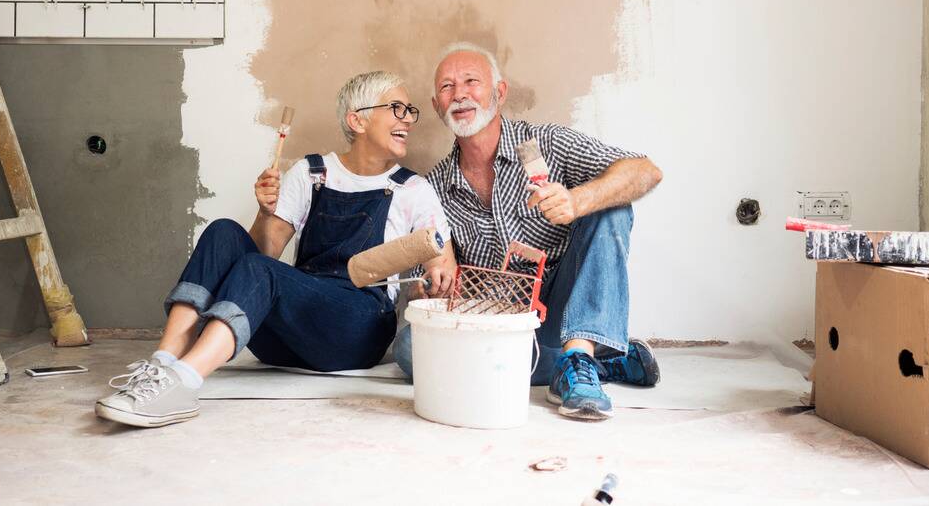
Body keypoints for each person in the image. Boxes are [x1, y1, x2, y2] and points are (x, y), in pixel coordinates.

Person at [96, 71, 455, 428]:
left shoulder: (412, 189)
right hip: (290, 331)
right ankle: (161, 366)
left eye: (409, 110)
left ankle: (184, 382)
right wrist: (265, 212)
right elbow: (263, 255)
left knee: (260, 271)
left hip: (354, 331)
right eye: (396, 108)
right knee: (223, 232)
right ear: (357, 120)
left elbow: (444, 265)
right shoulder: (312, 172)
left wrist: (434, 280)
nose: (407, 118)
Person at [394, 43, 664, 421]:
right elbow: (444, 268)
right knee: (410, 350)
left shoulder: (548, 144)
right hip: (498, 320)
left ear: (499, 92)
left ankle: (580, 355)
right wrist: (433, 286)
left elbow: (645, 170)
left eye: (472, 81)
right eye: (446, 87)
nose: (459, 94)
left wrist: (576, 200)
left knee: (611, 207)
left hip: (563, 310)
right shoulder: (433, 187)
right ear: (438, 106)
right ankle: (599, 362)